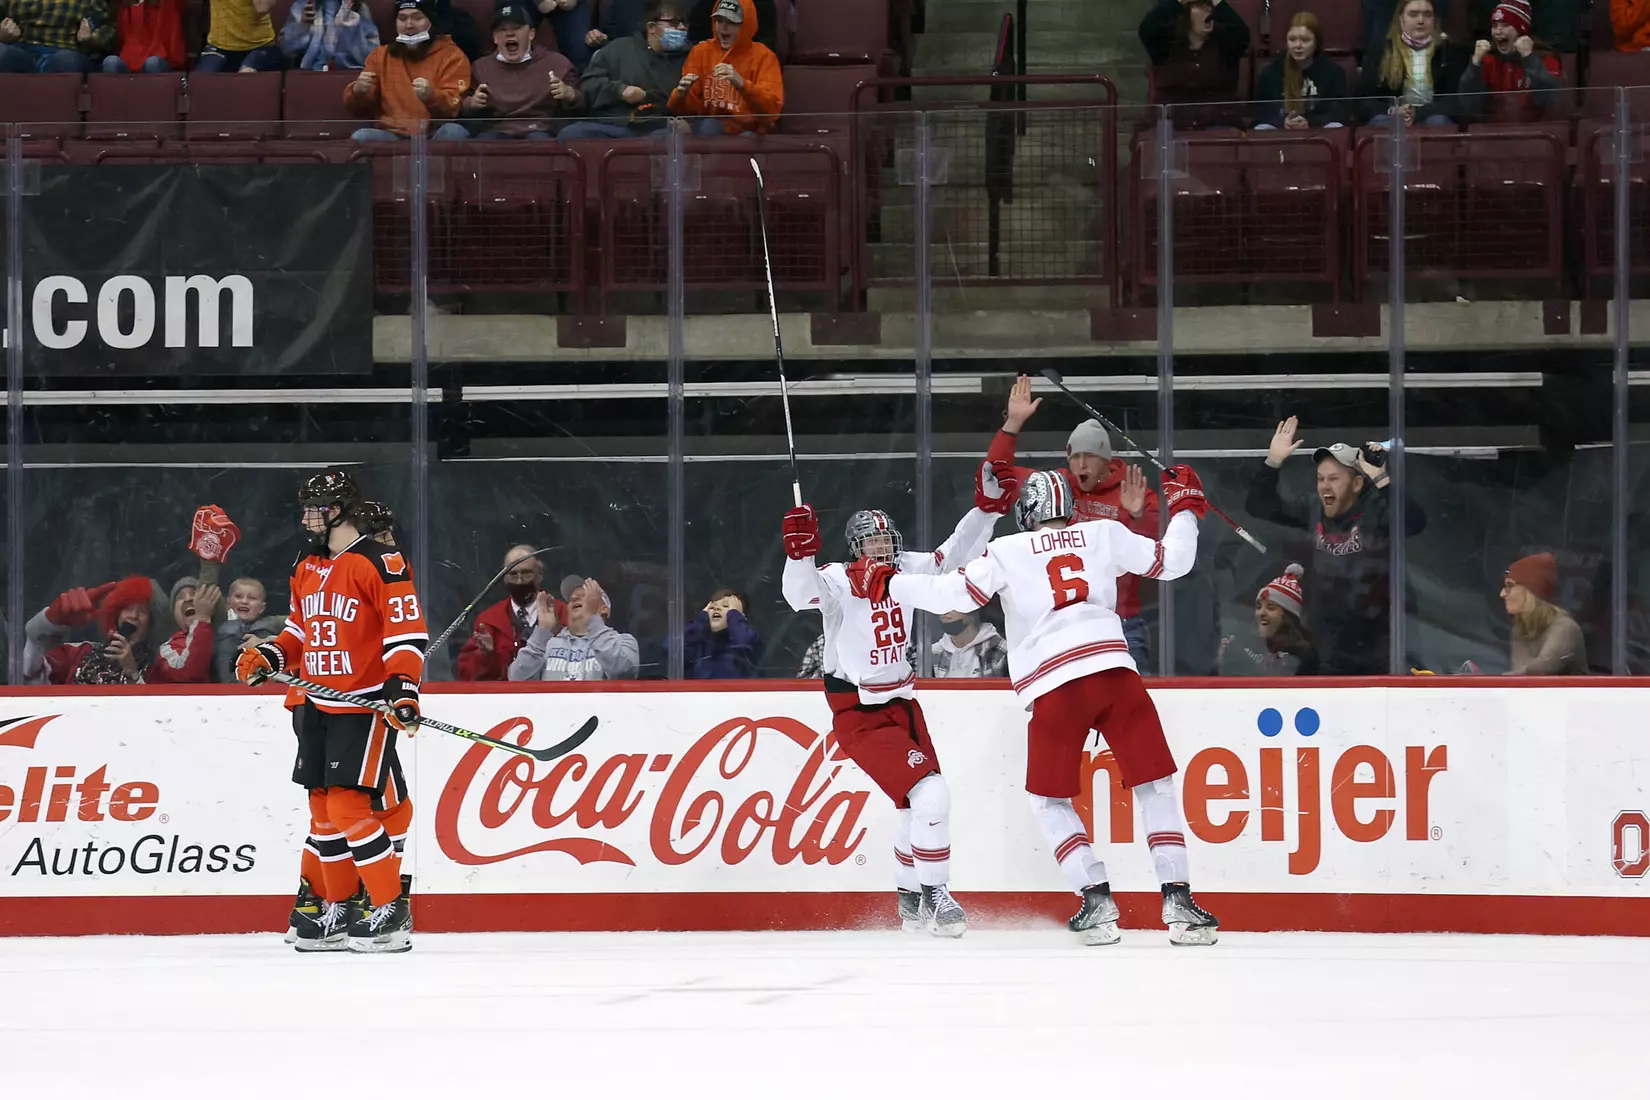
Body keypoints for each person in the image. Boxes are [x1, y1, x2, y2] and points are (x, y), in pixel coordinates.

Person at [851, 465, 1220, 947]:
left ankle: (1095, 897)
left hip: (1054, 684)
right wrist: (1187, 507)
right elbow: (1175, 561)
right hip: (1114, 671)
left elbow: (948, 594)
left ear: (1027, 511)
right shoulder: (1105, 532)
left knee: (1049, 800)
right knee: (1155, 785)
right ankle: (1179, 900)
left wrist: (887, 583)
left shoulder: (1006, 550)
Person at [780, 463, 1010, 937]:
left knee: (914, 804)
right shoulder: (840, 580)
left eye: (888, 540)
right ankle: (936, 893)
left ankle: (909, 898)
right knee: (931, 794)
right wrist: (798, 555)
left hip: (903, 703)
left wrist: (986, 511)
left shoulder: (903, 570)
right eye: (873, 542)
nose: (883, 548)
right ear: (856, 548)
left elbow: (952, 554)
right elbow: (799, 595)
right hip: (858, 712)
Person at [235, 469, 426, 954]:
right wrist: (271, 656)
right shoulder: (307, 562)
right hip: (315, 702)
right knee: (322, 811)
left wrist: (403, 689)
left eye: (314, 508)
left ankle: (389, 908)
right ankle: (336, 906)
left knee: (348, 806)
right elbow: (300, 629)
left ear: (338, 509)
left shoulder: (381, 561)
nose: (306, 517)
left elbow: (405, 635)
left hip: (361, 705)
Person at [989, 374, 1160, 671]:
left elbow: (1154, 556)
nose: (1081, 465)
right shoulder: (1053, 486)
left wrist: (1136, 517)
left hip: (1120, 624)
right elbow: (995, 473)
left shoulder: (1132, 492)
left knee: (1129, 707)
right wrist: (1012, 424)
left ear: (1106, 460)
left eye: (1090, 456)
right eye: (1075, 456)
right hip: (1063, 623)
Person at [1245, 417, 1428, 675]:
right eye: (1320, 479)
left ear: (1356, 484)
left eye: (1334, 479)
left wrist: (1382, 479)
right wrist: (1273, 461)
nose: (1325, 487)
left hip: (1381, 647)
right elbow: (1258, 506)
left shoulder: (1375, 508)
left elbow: (1415, 523)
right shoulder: (1312, 508)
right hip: (1329, 649)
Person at [559, 0, 689, 140]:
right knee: (571, 134)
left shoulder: (690, 57)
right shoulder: (616, 49)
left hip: (658, 127)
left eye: (684, 23)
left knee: (668, 137)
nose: (682, 28)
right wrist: (620, 91)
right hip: (614, 124)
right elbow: (588, 85)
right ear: (651, 27)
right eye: (674, 23)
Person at [343, 0, 471, 141]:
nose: (409, 25)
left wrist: (432, 96)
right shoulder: (379, 56)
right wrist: (357, 91)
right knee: (361, 136)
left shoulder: (452, 55)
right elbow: (360, 111)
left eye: (417, 18)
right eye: (402, 18)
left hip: (434, 134)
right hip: (392, 134)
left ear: (431, 22)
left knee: (454, 132)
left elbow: (455, 107)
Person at [462, 2, 581, 139]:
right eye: (502, 30)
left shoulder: (558, 63)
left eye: (516, 28)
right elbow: (463, 105)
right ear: (495, 37)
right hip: (496, 131)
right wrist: (472, 103)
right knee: (483, 142)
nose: (510, 34)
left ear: (531, 34)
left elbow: (581, 105)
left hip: (540, 130)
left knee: (540, 140)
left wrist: (569, 94)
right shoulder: (480, 67)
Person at [22, 576, 169, 685]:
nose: (134, 615)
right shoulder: (79, 653)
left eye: (142, 611)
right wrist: (44, 625)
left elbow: (159, 720)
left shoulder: (159, 668)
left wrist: (132, 673)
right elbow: (30, 676)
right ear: (116, 614)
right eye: (128, 608)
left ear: (150, 623)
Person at [668, 0, 781, 136]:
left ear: (745, 24)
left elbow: (771, 112)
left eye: (732, 22)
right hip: (709, 129)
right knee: (707, 126)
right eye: (719, 21)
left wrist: (742, 85)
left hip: (749, 132)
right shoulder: (701, 52)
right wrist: (680, 95)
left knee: (747, 138)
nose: (723, 27)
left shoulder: (765, 57)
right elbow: (689, 111)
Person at [455, 545, 565, 680]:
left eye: (526, 573)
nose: (519, 581)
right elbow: (467, 674)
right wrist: (486, 655)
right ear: (504, 578)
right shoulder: (489, 620)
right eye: (513, 574)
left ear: (540, 575)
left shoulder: (562, 613)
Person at [1137, 0, 1250, 130]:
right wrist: (1179, 1)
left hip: (1218, 124)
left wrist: (1217, 2)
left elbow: (1242, 32)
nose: (1209, 11)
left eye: (1210, 6)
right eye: (1200, 6)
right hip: (1172, 124)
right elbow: (1147, 28)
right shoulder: (1164, 45)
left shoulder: (1226, 46)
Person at [1357, 0, 1468, 126]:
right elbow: (1363, 100)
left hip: (1431, 115)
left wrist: (1418, 112)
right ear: (1401, 19)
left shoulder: (1449, 51)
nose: (1421, 20)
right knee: (1381, 123)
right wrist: (1392, 109)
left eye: (1427, 15)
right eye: (1413, 15)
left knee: (1439, 121)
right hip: (1391, 116)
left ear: (1435, 20)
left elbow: (1456, 101)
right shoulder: (1381, 51)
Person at [507, 575, 640, 680]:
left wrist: (593, 620)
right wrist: (543, 632)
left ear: (604, 609)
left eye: (584, 596)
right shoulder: (547, 645)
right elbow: (516, 679)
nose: (575, 597)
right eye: (571, 599)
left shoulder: (623, 641)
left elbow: (624, 672)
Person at [1460, 0, 1562, 123]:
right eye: (1495, 26)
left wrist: (1530, 59)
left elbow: (1549, 100)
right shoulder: (1488, 60)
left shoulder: (1545, 58)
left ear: (1521, 30)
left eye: (1505, 25)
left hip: (1535, 133)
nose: (1498, 31)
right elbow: (1469, 106)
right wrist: (1475, 64)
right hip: (1493, 134)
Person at [1219, 563, 1319, 675]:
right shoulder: (1243, 641)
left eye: (1270, 607)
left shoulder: (1303, 656)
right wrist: (1221, 659)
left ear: (1288, 616)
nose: (1261, 613)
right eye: (1258, 607)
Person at [1254, 12, 1348, 129]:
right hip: (1281, 130)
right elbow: (1260, 112)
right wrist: (1282, 122)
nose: (1297, 45)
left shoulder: (1333, 72)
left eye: (1305, 40)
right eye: (1292, 39)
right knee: (1262, 128)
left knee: (1335, 126)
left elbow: (1339, 111)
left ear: (1316, 43)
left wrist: (1310, 122)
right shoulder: (1270, 73)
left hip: (1316, 130)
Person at [1502, 552, 1587, 674]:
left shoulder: (1565, 627)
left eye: (1509, 585)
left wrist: (1499, 681)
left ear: (1530, 590)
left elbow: (1543, 668)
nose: (1503, 594)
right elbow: (1520, 676)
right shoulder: (1520, 629)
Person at [0, 0, 114, 72]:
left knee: (66, 60)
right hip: (22, 51)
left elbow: (109, 28)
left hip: (64, 50)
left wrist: (93, 39)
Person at [146, 577, 220, 684]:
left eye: (194, 594)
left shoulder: (227, 635)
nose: (188, 599)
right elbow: (188, 672)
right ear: (174, 614)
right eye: (180, 597)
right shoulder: (167, 649)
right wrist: (202, 618)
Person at [214, 577, 287, 683]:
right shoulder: (220, 628)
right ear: (228, 602)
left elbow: (301, 623)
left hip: (265, 690)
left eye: (252, 598)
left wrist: (265, 642)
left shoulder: (272, 623)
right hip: (229, 690)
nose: (244, 601)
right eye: (238, 596)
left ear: (262, 608)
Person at [682, 588, 761, 678]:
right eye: (711, 607)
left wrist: (734, 616)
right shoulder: (698, 644)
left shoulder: (750, 637)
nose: (717, 608)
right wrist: (700, 622)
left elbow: (745, 643)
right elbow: (670, 650)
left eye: (726, 606)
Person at [280, 0, 379, 70]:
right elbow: (287, 49)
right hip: (311, 73)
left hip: (348, 73)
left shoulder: (358, 8)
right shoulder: (302, 6)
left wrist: (350, 29)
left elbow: (371, 56)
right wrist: (302, 26)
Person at [194, 0, 285, 71]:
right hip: (218, 46)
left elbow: (261, 8)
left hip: (259, 46)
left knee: (245, 77)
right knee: (201, 83)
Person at [103, 0, 184, 72]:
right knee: (110, 62)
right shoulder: (125, 7)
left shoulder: (167, 3)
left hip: (160, 60)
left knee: (152, 63)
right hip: (130, 62)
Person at [929, 608, 1008, 679]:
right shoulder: (931, 654)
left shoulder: (1001, 651)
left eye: (955, 604)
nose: (945, 610)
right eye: (943, 604)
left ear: (973, 612)